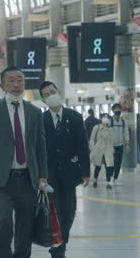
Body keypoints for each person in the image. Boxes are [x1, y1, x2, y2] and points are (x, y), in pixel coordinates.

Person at [0, 66, 48, 258]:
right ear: (2, 85)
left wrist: (43, 176)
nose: (16, 84)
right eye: (11, 80)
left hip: (27, 180)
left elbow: (40, 147)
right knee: (4, 223)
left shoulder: (34, 112)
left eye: (20, 80)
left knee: (25, 228)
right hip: (2, 180)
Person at [40, 81, 90, 258]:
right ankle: (58, 250)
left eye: (52, 91)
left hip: (70, 174)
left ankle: (61, 242)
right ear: (43, 100)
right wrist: (40, 175)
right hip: (49, 175)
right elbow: (38, 148)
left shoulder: (74, 117)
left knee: (69, 212)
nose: (50, 95)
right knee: (55, 210)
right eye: (46, 94)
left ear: (58, 92)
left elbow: (82, 146)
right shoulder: (42, 120)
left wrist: (85, 172)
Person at [90, 114, 115, 189]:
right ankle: (95, 180)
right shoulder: (96, 127)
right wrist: (93, 148)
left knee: (108, 167)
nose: (106, 119)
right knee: (98, 166)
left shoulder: (110, 129)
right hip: (99, 150)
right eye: (104, 117)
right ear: (101, 118)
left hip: (108, 150)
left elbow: (111, 140)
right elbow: (91, 139)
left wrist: (112, 149)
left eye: (107, 117)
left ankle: (108, 182)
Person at [110, 103, 130, 186]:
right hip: (111, 146)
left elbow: (126, 133)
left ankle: (116, 179)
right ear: (113, 110)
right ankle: (110, 179)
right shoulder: (110, 121)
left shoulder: (123, 121)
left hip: (120, 145)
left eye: (119, 109)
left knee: (118, 163)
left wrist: (127, 143)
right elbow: (108, 134)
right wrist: (110, 145)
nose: (118, 111)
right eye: (116, 109)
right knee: (111, 163)